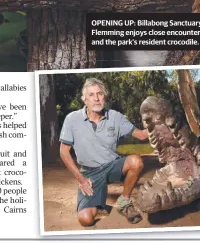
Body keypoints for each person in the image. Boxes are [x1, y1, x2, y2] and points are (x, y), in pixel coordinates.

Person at [59, 78, 149, 226]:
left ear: (104, 97)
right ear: (85, 99)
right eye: (91, 95)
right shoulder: (72, 119)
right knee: (85, 220)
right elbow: (63, 151)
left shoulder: (115, 117)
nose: (96, 98)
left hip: (112, 166)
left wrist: (159, 125)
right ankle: (98, 199)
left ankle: (124, 201)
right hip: (90, 174)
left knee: (136, 161)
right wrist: (81, 178)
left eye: (100, 94)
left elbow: (141, 135)